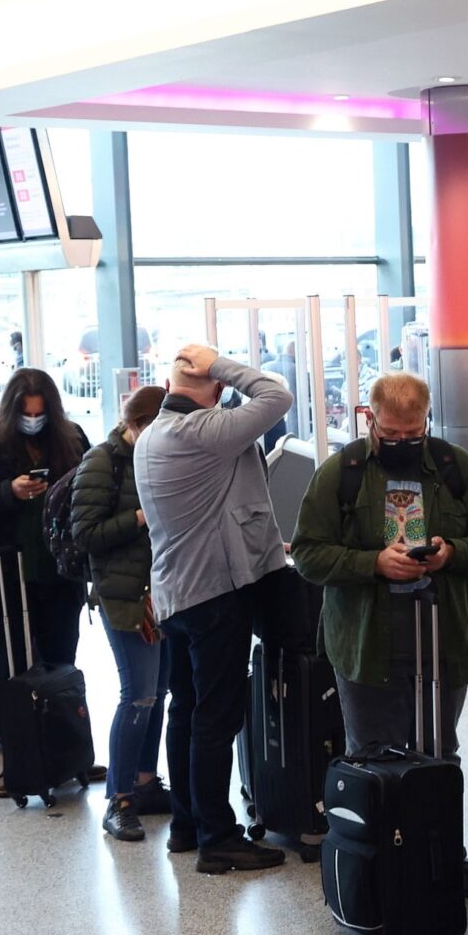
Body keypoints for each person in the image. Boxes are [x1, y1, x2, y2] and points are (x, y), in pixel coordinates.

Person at [291, 370, 468, 896]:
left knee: (441, 753)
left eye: (414, 433)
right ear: (370, 419)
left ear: (428, 420)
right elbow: (308, 554)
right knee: (371, 756)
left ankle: (445, 856)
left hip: (443, 638)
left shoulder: (456, 467)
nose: (403, 442)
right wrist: (373, 563)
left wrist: (451, 553)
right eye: (391, 434)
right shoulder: (341, 472)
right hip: (366, 644)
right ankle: (378, 869)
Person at [134, 343, 294, 874]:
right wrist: (218, 363)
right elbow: (276, 395)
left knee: (185, 711)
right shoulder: (203, 431)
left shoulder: (152, 434)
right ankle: (218, 839)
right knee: (215, 718)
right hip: (213, 595)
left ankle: (187, 826)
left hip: (174, 593)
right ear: (218, 389)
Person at [72, 386, 174, 842]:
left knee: (159, 692)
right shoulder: (102, 462)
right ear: (135, 425)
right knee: (138, 696)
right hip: (125, 595)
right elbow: (86, 534)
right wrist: (138, 517)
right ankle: (119, 799)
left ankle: (145, 783)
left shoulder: (163, 456)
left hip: (163, 592)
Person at [0, 366, 91, 676]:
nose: (33, 420)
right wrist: (7, 491)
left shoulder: (73, 439)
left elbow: (92, 489)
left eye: (40, 414)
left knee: (62, 663)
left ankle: (59, 708)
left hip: (60, 574)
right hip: (6, 575)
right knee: (11, 665)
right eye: (26, 414)